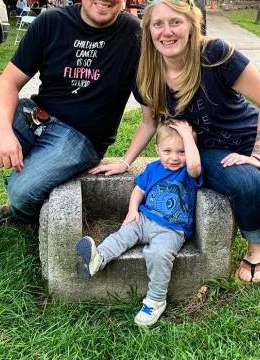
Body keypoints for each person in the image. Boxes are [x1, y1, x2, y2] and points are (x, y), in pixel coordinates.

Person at [91, 0, 260, 283]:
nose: (167, 32)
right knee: (250, 185)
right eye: (158, 24)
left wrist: (258, 155)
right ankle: (256, 244)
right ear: (148, 30)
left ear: (192, 25)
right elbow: (149, 122)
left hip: (251, 137)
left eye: (176, 22)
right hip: (206, 150)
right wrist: (126, 161)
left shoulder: (214, 54)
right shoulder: (146, 74)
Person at [0, 0, 140, 274]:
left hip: (81, 137)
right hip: (37, 115)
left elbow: (157, 94)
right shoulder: (52, 21)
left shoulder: (134, 34)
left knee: (21, 194)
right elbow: (8, 83)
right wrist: (4, 131)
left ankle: (20, 210)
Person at [76, 120, 202, 326]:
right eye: (167, 151)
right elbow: (139, 190)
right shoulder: (153, 168)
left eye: (182, 151)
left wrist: (188, 136)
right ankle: (98, 258)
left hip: (171, 230)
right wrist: (132, 211)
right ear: (157, 150)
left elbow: (195, 165)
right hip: (143, 219)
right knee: (122, 234)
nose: (174, 157)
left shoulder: (188, 171)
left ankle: (155, 300)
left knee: (158, 254)